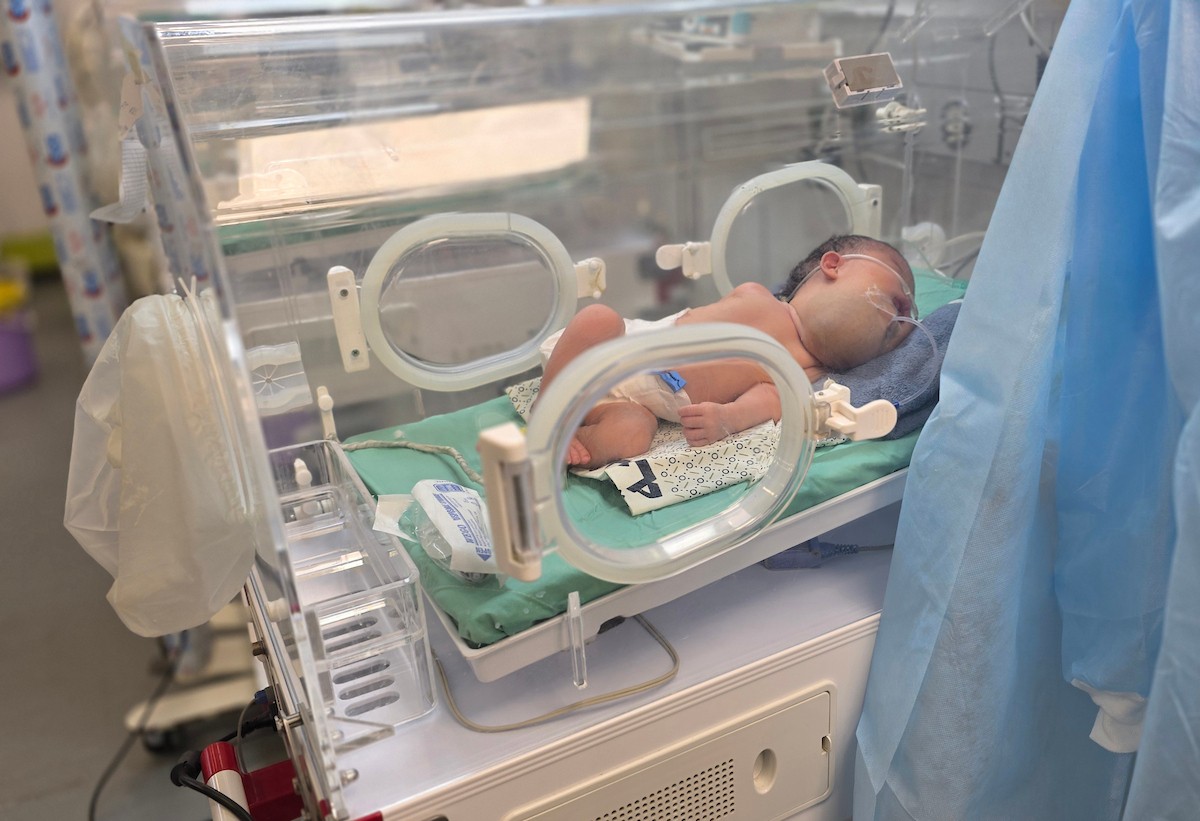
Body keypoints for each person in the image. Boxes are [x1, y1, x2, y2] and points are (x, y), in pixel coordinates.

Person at [539, 234, 917, 468]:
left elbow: (767, 401)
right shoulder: (757, 297)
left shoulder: (809, 375)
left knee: (632, 436)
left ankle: (573, 440)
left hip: (629, 403)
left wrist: (727, 419)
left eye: (907, 320)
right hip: (603, 353)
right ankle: (549, 412)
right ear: (833, 265)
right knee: (600, 318)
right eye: (899, 287)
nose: (907, 311)